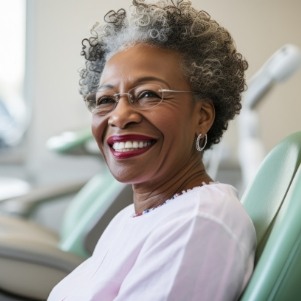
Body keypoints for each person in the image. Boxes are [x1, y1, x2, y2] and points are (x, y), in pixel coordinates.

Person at [48, 0, 256, 300]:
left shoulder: (198, 223)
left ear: (202, 116)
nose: (118, 116)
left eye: (147, 94)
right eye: (106, 100)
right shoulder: (129, 219)